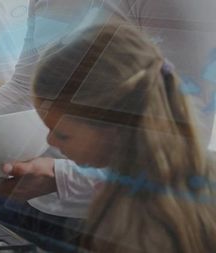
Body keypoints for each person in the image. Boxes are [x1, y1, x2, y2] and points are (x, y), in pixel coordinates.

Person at [0, 0, 216, 218]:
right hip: (42, 205)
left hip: (133, 218)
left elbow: (186, 137)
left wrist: (66, 179)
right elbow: (23, 89)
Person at [28, 23, 216, 253]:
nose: (51, 142)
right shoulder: (187, 174)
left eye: (63, 134)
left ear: (115, 129)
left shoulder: (137, 220)